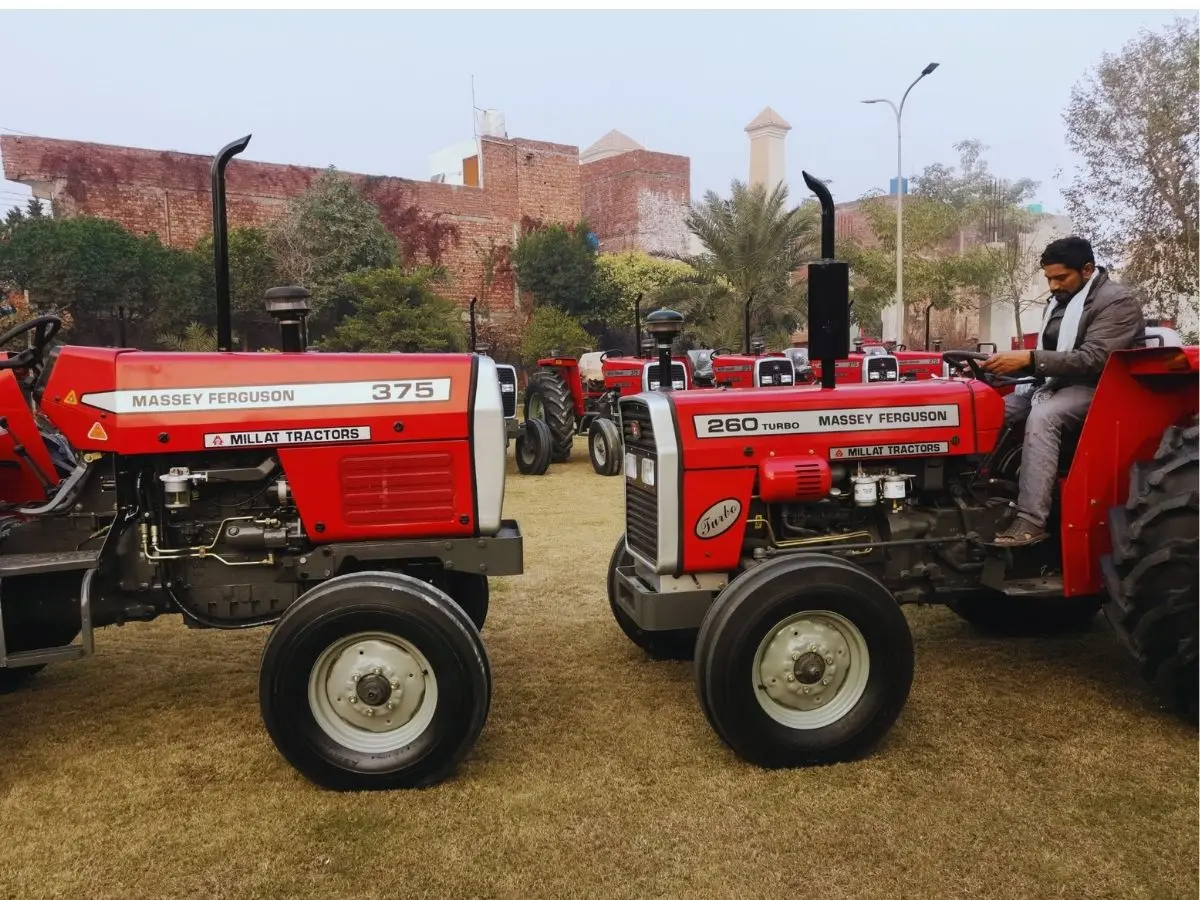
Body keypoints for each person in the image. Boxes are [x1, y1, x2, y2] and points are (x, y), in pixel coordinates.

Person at [980, 236, 1145, 547]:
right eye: (1048, 278)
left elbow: (1094, 358)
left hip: (1101, 388)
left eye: (1060, 277)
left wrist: (1029, 359)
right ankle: (977, 493)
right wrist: (994, 366)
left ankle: (1031, 519)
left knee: (1044, 416)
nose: (1053, 286)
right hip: (1056, 382)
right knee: (993, 410)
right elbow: (1050, 355)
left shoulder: (1116, 302)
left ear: (1086, 269)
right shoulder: (1060, 303)